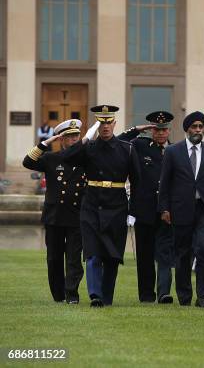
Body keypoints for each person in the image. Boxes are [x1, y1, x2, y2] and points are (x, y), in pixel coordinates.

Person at [59, 105, 140, 307]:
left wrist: (133, 211)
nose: (105, 127)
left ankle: (106, 296)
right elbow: (66, 157)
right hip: (92, 206)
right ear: (98, 124)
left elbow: (138, 182)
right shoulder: (89, 147)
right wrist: (85, 138)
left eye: (108, 122)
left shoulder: (127, 149)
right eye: (101, 123)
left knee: (112, 257)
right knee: (93, 254)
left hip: (117, 206)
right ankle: (95, 295)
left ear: (114, 123)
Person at [158, 111, 204, 308]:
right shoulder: (173, 152)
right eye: (194, 127)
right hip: (180, 209)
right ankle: (184, 295)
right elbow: (165, 183)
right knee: (183, 253)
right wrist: (164, 209)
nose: (198, 130)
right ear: (187, 129)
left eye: (200, 127)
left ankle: (203, 295)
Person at [23, 119, 86, 304]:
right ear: (62, 139)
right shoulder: (52, 158)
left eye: (76, 136)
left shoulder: (85, 159)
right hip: (54, 216)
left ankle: (72, 294)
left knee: (74, 259)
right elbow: (27, 162)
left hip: (76, 215)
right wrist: (46, 143)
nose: (73, 139)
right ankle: (58, 295)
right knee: (54, 258)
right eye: (69, 137)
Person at [118, 111, 175, 304]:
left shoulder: (175, 150)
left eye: (163, 129)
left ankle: (164, 293)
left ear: (169, 130)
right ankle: (146, 295)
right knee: (144, 256)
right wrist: (136, 130)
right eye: (156, 129)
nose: (160, 133)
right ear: (151, 130)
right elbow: (117, 143)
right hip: (143, 210)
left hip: (166, 211)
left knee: (165, 254)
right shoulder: (140, 146)